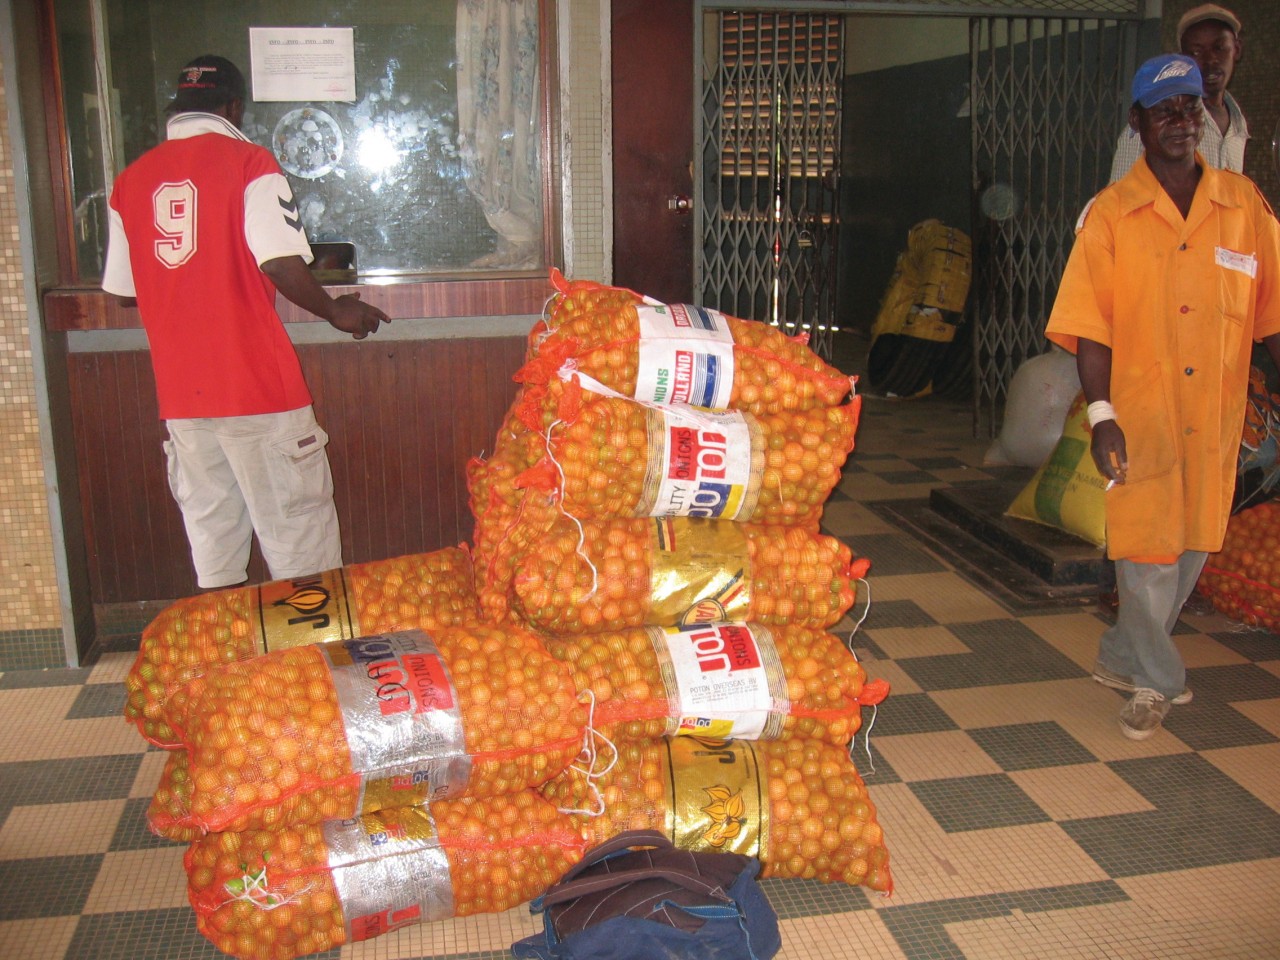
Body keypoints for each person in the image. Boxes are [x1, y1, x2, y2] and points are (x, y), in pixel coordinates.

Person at [1046, 53, 1280, 740]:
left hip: (1214, 421)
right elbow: (1090, 329)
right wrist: (1102, 415)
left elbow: (1273, 318)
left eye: (1189, 108)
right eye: (1163, 111)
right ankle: (1157, 681)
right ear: (1137, 123)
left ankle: (1123, 652)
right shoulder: (1112, 216)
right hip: (1141, 416)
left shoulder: (1244, 209)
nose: (1180, 123)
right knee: (1145, 552)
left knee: (1192, 547)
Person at [102, 55, 390, 590]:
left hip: (184, 402)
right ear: (234, 106)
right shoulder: (249, 162)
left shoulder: (129, 181)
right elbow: (279, 261)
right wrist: (334, 310)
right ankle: (307, 671)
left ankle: (230, 672)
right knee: (302, 556)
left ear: (178, 109)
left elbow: (123, 292)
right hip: (259, 392)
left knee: (216, 553)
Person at [1109, 4, 1247, 182]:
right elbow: (1120, 199)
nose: (1210, 60)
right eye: (1196, 52)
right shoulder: (1152, 128)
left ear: (1236, 49)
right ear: (1182, 59)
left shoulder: (1238, 125)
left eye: (1219, 48)